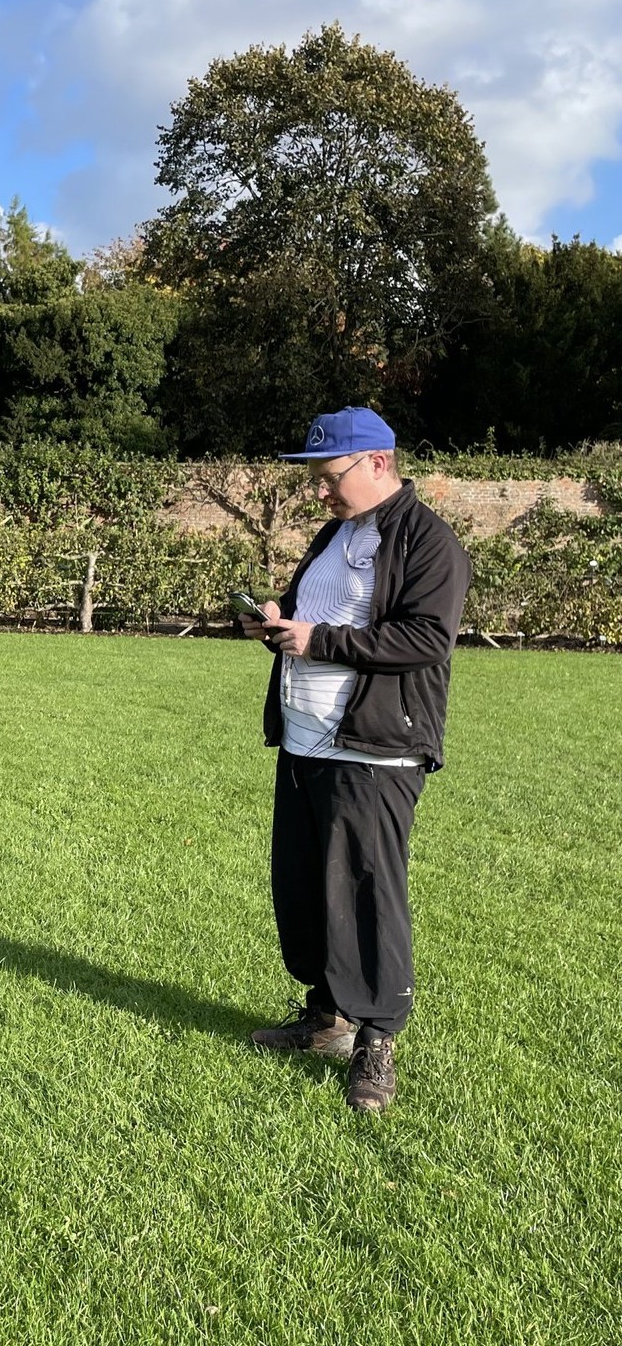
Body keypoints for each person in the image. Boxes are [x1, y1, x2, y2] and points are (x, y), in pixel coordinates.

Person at [241, 407, 470, 1113]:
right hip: (305, 740)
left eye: (329, 476)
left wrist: (320, 640)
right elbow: (314, 617)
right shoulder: (335, 534)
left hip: (375, 749)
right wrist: (274, 624)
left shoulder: (429, 541)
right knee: (308, 886)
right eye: (314, 478)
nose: (320, 491)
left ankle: (377, 1039)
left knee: (368, 892)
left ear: (377, 462)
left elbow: (426, 639)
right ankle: (327, 1018)